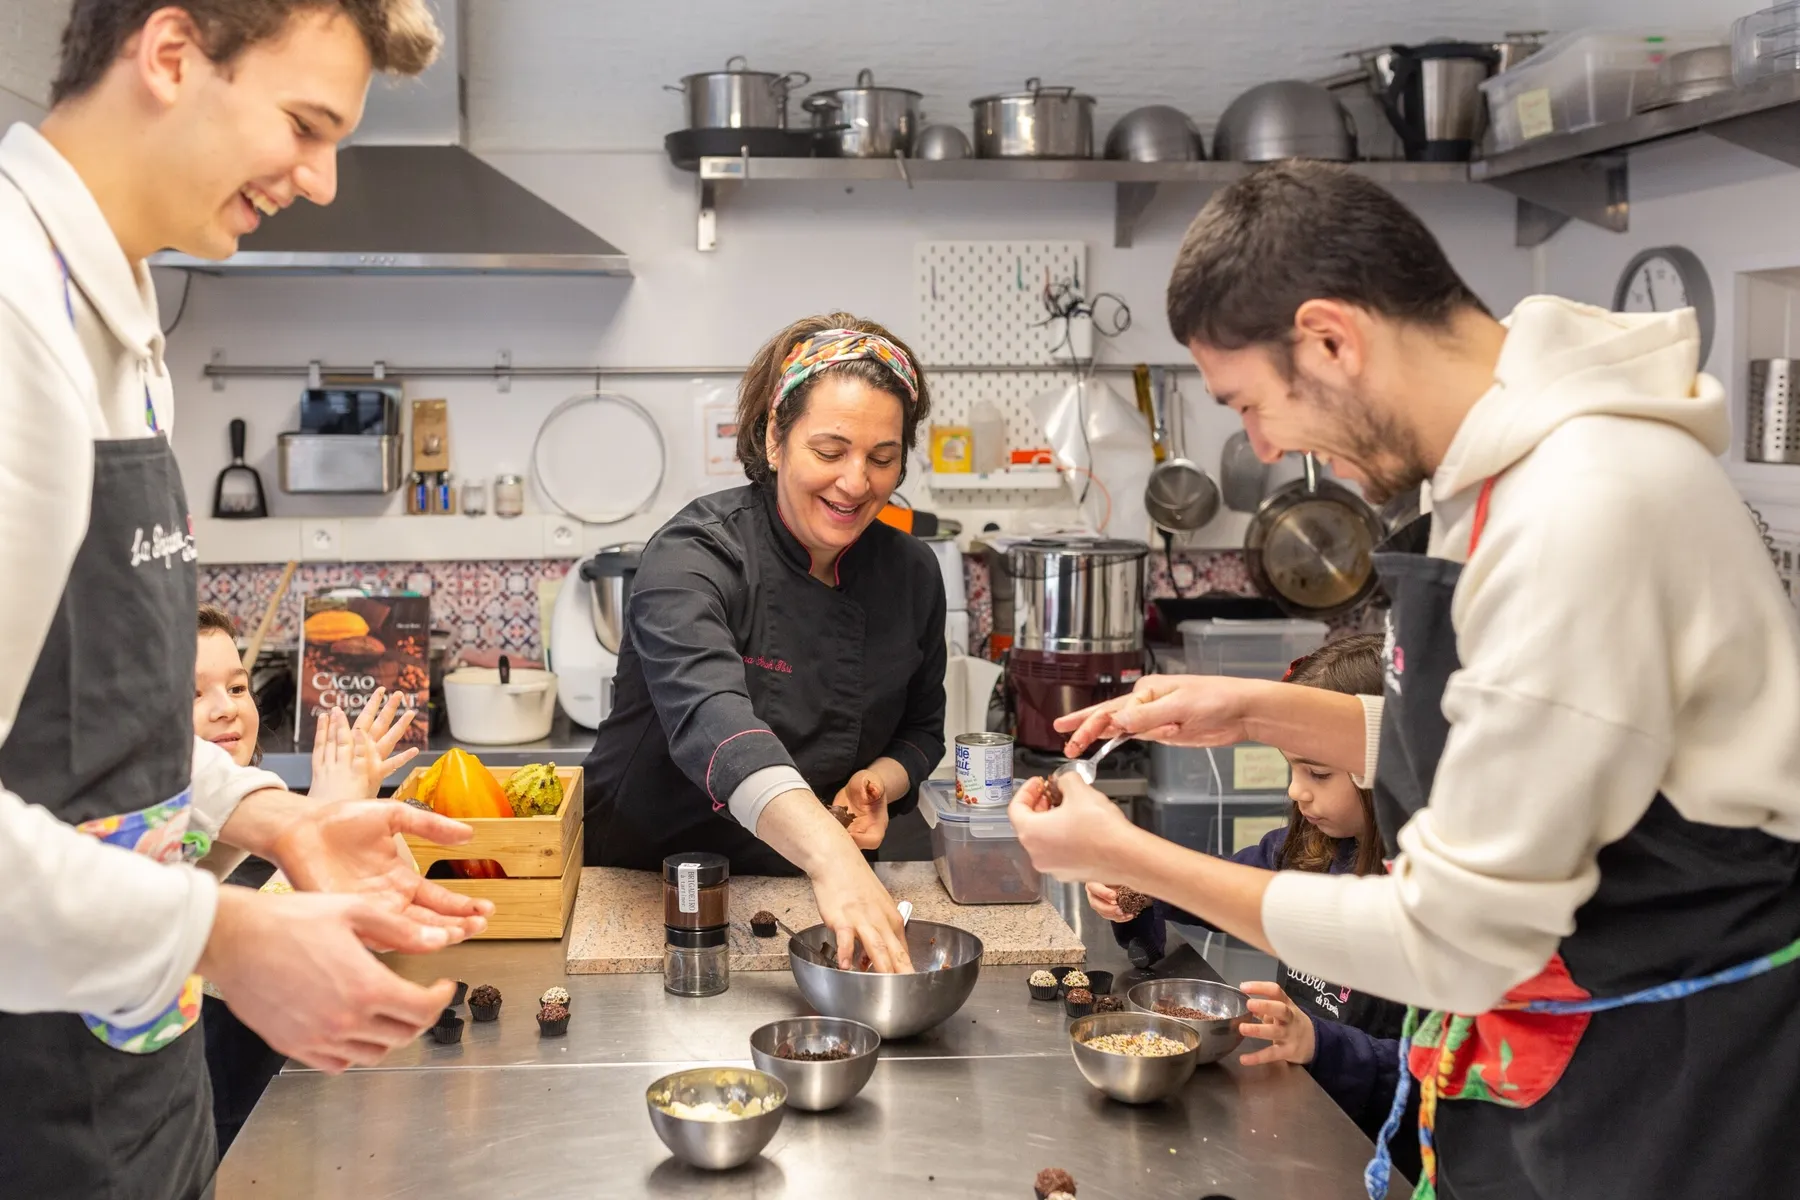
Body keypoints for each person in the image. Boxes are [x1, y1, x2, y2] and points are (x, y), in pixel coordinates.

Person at [1010, 160, 1800, 1200]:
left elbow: (1453, 939)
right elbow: (1536, 748)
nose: (1264, 446)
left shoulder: (1583, 505)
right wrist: (1257, 710)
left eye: (1250, 404)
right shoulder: (1501, 471)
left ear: (1331, 340)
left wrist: (1127, 855)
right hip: (1563, 1060)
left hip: (1663, 1095)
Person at [0, 3, 493, 1195]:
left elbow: (90, 732)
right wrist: (223, 933)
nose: (323, 182)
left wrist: (274, 820)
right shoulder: (13, 321)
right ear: (172, 56)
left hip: (132, 1087)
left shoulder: (115, 316)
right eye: (305, 125)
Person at [583, 313, 946, 973]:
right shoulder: (694, 555)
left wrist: (878, 781)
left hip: (806, 896)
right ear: (775, 438)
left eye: (882, 458)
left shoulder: (911, 572)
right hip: (652, 891)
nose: (856, 482)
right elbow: (715, 724)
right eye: (830, 452)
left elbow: (922, 731)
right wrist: (832, 855)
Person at [1089, 634, 1420, 1182]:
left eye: (1318, 773)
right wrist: (1138, 890)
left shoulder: (1424, 897)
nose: (1295, 792)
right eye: (1291, 769)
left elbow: (1430, 1077)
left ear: (1386, 767)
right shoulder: (1302, 850)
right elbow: (1217, 887)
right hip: (1299, 1125)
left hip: (1381, 1160)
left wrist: (1317, 1042)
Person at [193, 605, 420, 1155]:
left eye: (237, 688)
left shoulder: (271, 806)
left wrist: (355, 806)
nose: (226, 708)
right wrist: (326, 813)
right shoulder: (147, 840)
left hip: (293, 1107)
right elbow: (230, 969)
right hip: (224, 1132)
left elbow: (390, 916)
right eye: (191, 695)